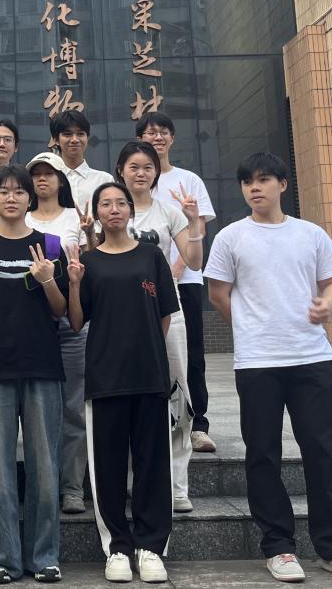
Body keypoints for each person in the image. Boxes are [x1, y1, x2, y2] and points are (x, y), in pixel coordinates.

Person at [204, 153, 332, 585]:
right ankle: (278, 546)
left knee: (322, 450)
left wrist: (327, 304)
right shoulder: (231, 237)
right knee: (262, 454)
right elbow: (218, 292)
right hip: (258, 362)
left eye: (263, 180)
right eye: (247, 182)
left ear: (282, 184)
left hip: (311, 357)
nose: (254, 188)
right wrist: (248, 326)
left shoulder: (310, 234)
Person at [67, 181, 178, 584]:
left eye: (120, 203)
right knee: (108, 467)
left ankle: (151, 547)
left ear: (131, 210)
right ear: (96, 213)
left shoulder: (151, 256)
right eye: (106, 204)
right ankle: (117, 546)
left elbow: (164, 315)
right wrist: (74, 283)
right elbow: (76, 321)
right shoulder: (89, 261)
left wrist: (145, 351)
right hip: (105, 378)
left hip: (149, 376)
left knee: (153, 465)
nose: (114, 209)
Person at [0, 166, 67, 585]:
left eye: (19, 191)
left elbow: (61, 311)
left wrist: (48, 280)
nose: (11, 198)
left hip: (43, 366)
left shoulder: (51, 244)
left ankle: (45, 557)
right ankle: (2, 558)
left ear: (30, 198)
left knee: (45, 466)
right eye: (3, 192)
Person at [112, 141, 202, 514]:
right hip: (120, 318)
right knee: (128, 397)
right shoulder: (111, 209)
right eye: (133, 166)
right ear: (121, 170)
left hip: (167, 312)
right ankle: (135, 481)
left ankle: (178, 485)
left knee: (176, 394)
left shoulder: (168, 212)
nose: (141, 173)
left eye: (147, 167)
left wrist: (194, 223)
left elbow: (193, 260)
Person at [136, 112, 217, 453]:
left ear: (172, 138)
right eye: (150, 132)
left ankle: (197, 424)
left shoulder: (188, 180)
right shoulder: (134, 180)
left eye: (163, 132)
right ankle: (157, 420)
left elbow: (199, 226)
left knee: (191, 353)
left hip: (185, 279)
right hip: (142, 284)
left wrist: (177, 269)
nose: (157, 137)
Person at [23, 152, 84, 514]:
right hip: (33, 324)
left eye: (50, 173)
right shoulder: (22, 217)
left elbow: (89, 262)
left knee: (73, 408)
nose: (42, 179)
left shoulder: (77, 217)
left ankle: (72, 486)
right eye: (36, 174)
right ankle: (44, 485)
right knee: (39, 411)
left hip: (72, 323)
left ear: (62, 180)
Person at [50, 112, 113, 213]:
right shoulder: (48, 181)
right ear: (56, 140)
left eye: (80, 134)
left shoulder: (104, 180)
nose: (75, 139)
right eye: (67, 134)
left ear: (87, 138)